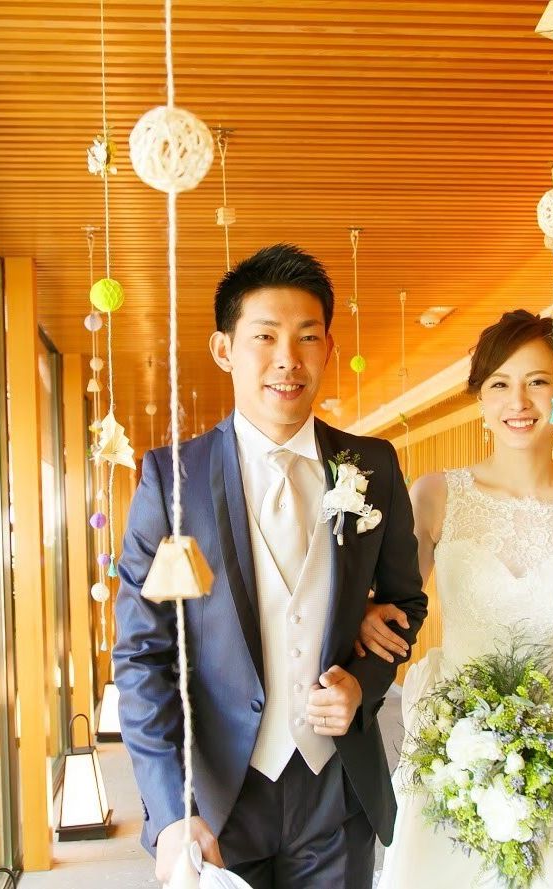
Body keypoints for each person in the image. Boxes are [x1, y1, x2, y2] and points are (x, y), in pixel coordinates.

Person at [113, 244, 429, 889]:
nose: (289, 359)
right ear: (224, 349)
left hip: (336, 789)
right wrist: (172, 812)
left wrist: (363, 683)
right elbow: (143, 655)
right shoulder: (172, 479)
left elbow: (405, 604)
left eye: (307, 337)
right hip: (217, 795)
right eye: (265, 336)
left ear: (328, 348)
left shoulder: (372, 465)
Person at [363, 309, 553, 889]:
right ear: (480, 400)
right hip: (454, 738)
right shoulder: (436, 495)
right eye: (499, 383)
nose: (518, 401)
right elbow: (396, 606)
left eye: (538, 381)